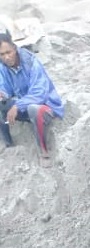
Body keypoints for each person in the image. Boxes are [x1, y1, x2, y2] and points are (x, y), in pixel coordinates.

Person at [0, 30, 64, 165]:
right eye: (2, 54)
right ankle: (8, 144)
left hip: (45, 106)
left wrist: (17, 105)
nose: (6, 57)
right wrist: (3, 94)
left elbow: (39, 93)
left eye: (8, 52)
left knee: (34, 109)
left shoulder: (31, 62)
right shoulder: (3, 67)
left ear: (14, 48)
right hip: (22, 105)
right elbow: (6, 88)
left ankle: (44, 151)